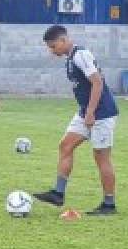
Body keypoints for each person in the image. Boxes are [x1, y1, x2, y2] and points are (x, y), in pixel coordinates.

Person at [32, 25, 120, 215]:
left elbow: (97, 82)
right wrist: (85, 112)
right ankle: (58, 193)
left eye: (53, 46)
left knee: (101, 157)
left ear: (63, 41)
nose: (52, 51)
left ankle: (109, 204)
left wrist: (91, 112)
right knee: (65, 145)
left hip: (101, 113)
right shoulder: (70, 58)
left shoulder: (81, 55)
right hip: (85, 112)